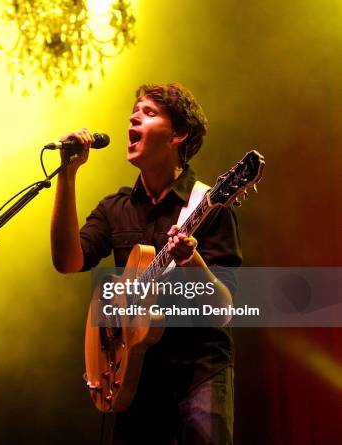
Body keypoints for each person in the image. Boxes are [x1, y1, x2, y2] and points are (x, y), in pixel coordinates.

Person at [50, 82, 242, 444]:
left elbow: (224, 308)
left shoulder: (211, 205)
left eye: (149, 113)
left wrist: (190, 259)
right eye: (133, 113)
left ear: (179, 135)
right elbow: (67, 261)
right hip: (135, 375)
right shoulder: (115, 208)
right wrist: (68, 175)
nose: (134, 118)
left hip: (197, 369)